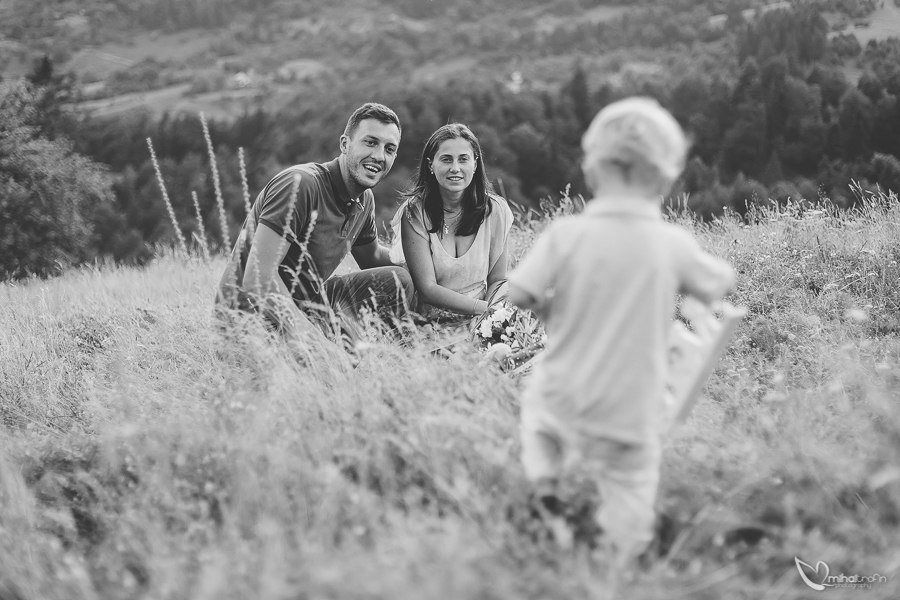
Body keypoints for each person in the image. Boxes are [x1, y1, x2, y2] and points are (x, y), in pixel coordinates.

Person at [507, 97, 736, 565]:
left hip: (560, 397)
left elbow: (519, 293)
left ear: (592, 170)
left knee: (542, 442)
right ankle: (619, 558)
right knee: (630, 486)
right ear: (666, 176)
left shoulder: (565, 235)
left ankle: (549, 503)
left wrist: (549, 307)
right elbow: (718, 282)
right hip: (629, 410)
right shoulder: (670, 243)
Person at [216, 102, 414, 348]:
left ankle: (402, 359)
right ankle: (332, 361)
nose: (379, 156)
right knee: (323, 361)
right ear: (345, 144)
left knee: (398, 280)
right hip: (249, 324)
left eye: (390, 149)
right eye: (370, 142)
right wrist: (316, 344)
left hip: (302, 309)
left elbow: (373, 258)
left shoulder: (364, 199)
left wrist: (432, 256)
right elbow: (257, 278)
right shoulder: (300, 184)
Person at [390, 123, 513, 321]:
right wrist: (486, 310)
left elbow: (498, 280)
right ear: (431, 165)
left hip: (483, 316)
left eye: (463, 159)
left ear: (475, 163)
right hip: (431, 323)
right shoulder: (415, 213)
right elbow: (427, 289)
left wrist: (493, 321)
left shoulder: (496, 211)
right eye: (446, 159)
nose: (455, 168)